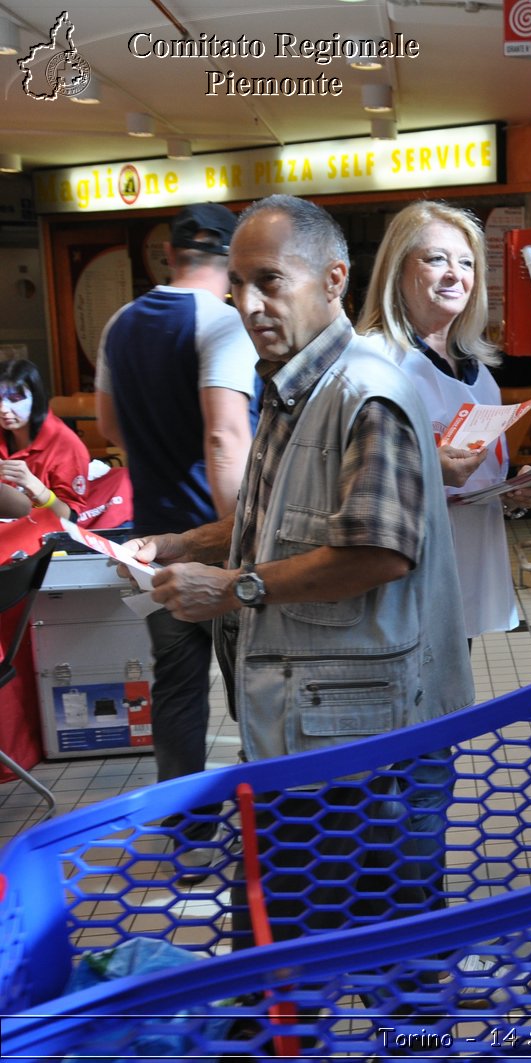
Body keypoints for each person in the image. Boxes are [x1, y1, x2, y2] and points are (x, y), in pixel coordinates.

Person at [128, 194, 472, 949]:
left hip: (366, 750)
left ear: (333, 279)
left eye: (270, 281)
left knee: (370, 962)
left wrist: (234, 586)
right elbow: (279, 517)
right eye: (237, 284)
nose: (249, 305)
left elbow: (378, 551)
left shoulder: (364, 393)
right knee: (301, 958)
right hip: (310, 732)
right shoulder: (293, 386)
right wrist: (185, 543)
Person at [95, 202, 258, 844]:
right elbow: (224, 437)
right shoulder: (224, 323)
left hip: (153, 540)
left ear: (168, 254)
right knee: (253, 681)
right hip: (217, 539)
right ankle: (265, 828)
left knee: (179, 686)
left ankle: (189, 838)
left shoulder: (120, 322)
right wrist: (240, 537)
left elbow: (110, 429)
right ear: (233, 260)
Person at [356, 200, 531, 643]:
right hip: (397, 585)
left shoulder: (479, 372)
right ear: (397, 269)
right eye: (435, 259)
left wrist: (513, 494)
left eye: (466, 263)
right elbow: (344, 474)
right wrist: (428, 465)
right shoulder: (371, 359)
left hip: (464, 576)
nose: (454, 274)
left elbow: (477, 484)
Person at [0, 357, 87, 522]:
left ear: (36, 399)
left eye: (15, 399)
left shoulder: (66, 444)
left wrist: (35, 486)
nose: (3, 409)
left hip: (42, 535)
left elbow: (70, 519)